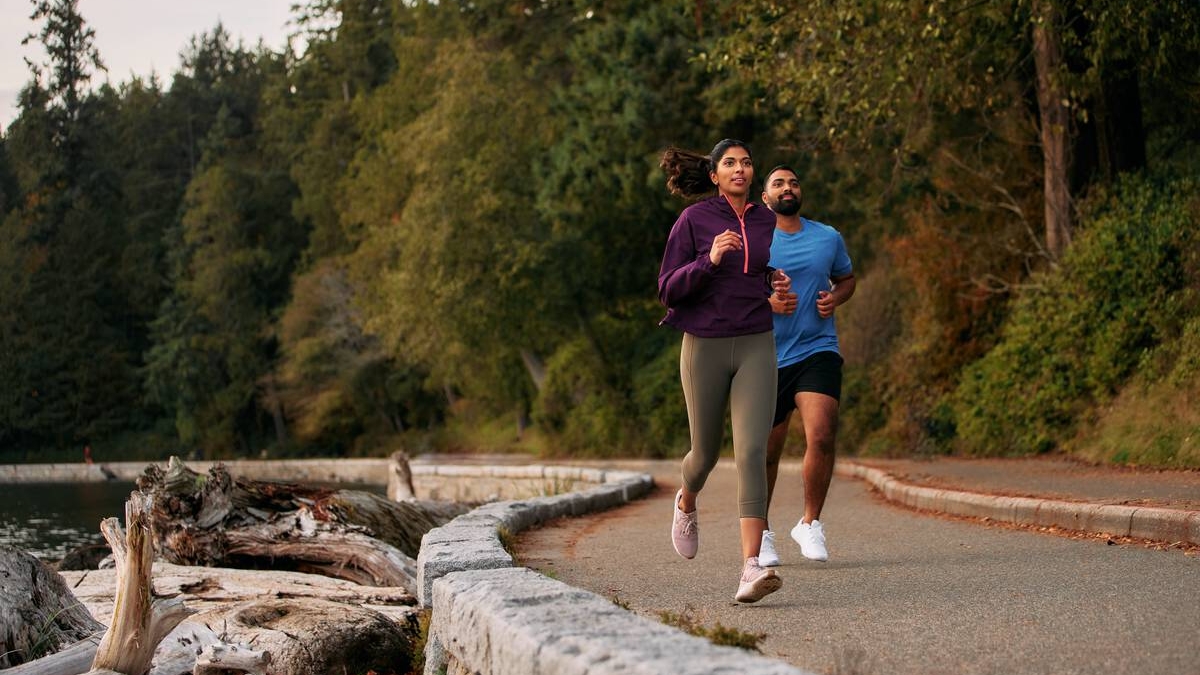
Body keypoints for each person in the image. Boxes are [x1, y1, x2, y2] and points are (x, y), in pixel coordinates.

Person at [657, 139, 791, 603]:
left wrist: (775, 283)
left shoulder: (764, 220)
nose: (740, 169)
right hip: (705, 346)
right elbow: (668, 289)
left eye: (746, 162)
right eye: (730, 163)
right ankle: (687, 499)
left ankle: (751, 566)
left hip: (757, 340)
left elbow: (762, 272)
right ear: (714, 175)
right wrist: (708, 260)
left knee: (752, 452)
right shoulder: (693, 220)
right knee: (706, 453)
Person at [756, 165, 856, 566]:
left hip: (818, 348)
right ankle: (761, 532)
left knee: (822, 434)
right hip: (764, 355)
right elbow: (727, 294)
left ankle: (810, 523)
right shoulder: (755, 241)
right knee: (765, 452)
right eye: (778, 183)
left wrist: (837, 298)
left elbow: (847, 279)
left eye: (793, 182)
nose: (787, 188)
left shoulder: (827, 237)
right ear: (765, 196)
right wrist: (769, 303)